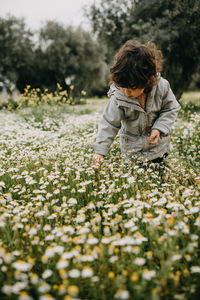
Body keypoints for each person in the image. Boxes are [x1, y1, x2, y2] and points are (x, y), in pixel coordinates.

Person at [90, 40, 181, 170]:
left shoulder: (162, 87)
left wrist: (159, 128)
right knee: (137, 186)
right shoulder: (118, 97)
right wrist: (100, 151)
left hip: (158, 149)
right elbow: (109, 123)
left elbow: (171, 108)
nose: (127, 93)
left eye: (132, 88)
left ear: (148, 79)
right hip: (133, 153)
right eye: (123, 87)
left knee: (160, 182)